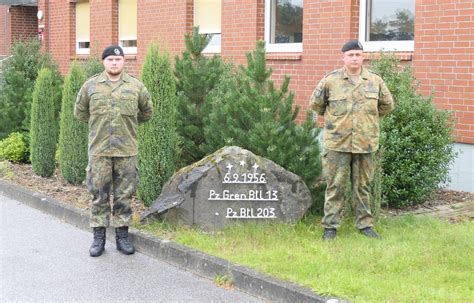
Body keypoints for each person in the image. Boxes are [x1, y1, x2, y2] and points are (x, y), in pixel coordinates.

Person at [309, 40, 394, 240]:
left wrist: (367, 120)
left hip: (365, 143)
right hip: (337, 143)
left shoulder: (375, 81)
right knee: (335, 185)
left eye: (357, 54)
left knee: (362, 186)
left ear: (363, 56)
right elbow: (316, 105)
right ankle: (330, 226)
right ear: (343, 57)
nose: (354, 58)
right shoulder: (330, 81)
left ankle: (365, 225)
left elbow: (387, 106)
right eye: (350, 55)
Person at [74, 45, 153, 256]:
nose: (114, 63)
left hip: (126, 150)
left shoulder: (136, 87)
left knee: (124, 195)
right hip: (99, 150)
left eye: (118, 60)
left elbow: (146, 113)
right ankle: (98, 238)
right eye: (110, 60)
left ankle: (122, 236)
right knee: (99, 195)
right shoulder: (91, 86)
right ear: (104, 62)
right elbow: (80, 113)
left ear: (123, 62)